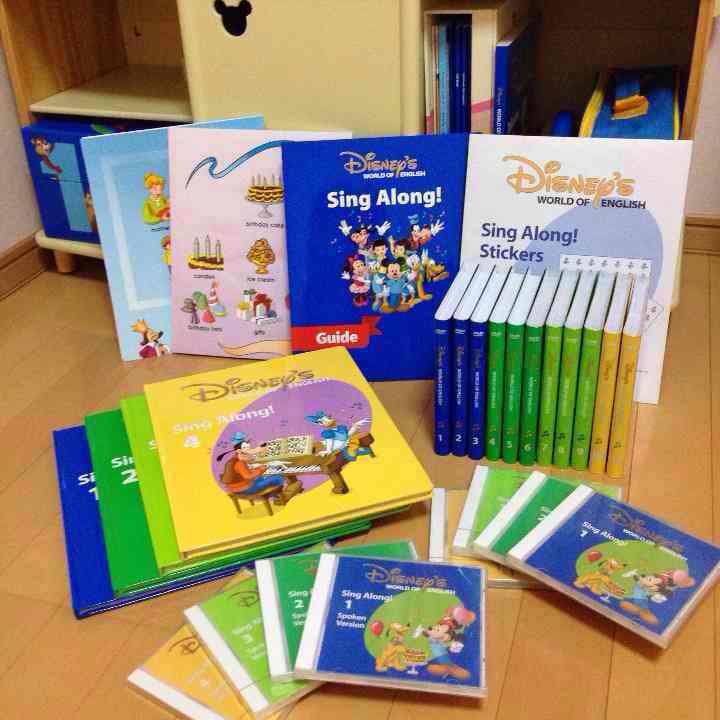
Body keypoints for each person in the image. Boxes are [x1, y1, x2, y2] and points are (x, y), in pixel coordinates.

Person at [216, 432, 285, 495]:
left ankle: (272, 494)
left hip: (238, 486)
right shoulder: (239, 463)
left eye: (248, 447)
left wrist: (257, 469)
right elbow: (247, 476)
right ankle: (271, 496)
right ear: (239, 450)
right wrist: (260, 470)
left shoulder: (235, 459)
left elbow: (244, 473)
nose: (249, 450)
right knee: (278, 478)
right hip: (244, 488)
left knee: (265, 476)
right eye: (245, 448)